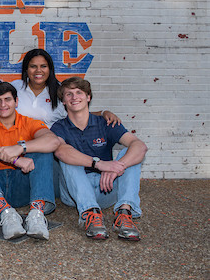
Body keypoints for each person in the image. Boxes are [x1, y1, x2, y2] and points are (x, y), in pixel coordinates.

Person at [51, 77, 147, 241]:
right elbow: (61, 152)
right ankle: (90, 214)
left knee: (129, 152)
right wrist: (100, 164)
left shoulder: (106, 123)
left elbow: (140, 146)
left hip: (106, 189)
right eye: (69, 94)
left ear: (88, 97)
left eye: (79, 92)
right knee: (68, 154)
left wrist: (117, 167)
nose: (74, 97)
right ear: (63, 101)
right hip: (75, 193)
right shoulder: (59, 127)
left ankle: (124, 214)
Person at [0, 82, 60, 240]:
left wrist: (21, 148)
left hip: (21, 185)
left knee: (43, 152)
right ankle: (6, 213)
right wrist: (14, 159)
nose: (3, 104)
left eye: (7, 99)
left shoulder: (29, 122)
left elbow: (53, 141)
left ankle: (36, 215)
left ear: (16, 102)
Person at [11, 48, 120, 128]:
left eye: (43, 66)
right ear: (26, 69)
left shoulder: (60, 90)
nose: (38, 71)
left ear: (50, 69)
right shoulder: (15, 87)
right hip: (16, 141)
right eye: (33, 66)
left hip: (48, 146)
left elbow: (78, 112)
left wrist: (103, 113)